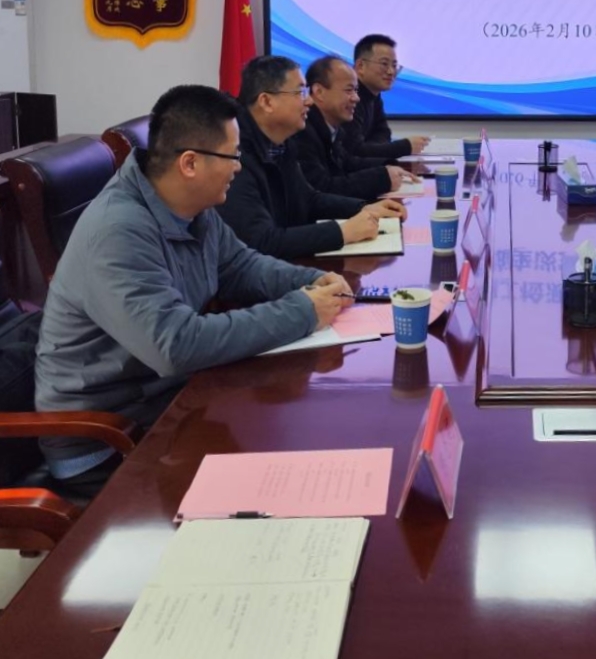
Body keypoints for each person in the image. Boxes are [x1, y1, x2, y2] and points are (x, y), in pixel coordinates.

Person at [35, 85, 353, 487]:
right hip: (107, 438)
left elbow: (239, 265)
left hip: (168, 402)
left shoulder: (189, 204)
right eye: (233, 156)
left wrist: (309, 281)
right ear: (190, 163)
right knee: (277, 470)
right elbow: (176, 345)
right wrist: (303, 311)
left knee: (301, 428)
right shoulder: (117, 231)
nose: (239, 167)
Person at [218, 55, 406, 259]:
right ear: (267, 102)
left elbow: (308, 199)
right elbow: (261, 241)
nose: (308, 101)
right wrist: (342, 232)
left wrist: (364, 208)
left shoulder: (281, 142)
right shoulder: (234, 154)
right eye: (300, 92)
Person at [295, 55, 416, 201]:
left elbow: (346, 163)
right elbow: (322, 188)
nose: (356, 98)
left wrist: (387, 166)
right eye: (349, 90)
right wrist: (382, 178)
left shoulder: (333, 128)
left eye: (356, 90)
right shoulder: (302, 132)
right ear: (319, 92)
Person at [346, 34, 431, 162]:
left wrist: (372, 148)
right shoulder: (350, 98)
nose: (391, 72)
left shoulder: (374, 94)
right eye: (384, 64)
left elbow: (383, 132)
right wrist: (405, 146)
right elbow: (355, 150)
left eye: (394, 65)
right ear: (360, 66)